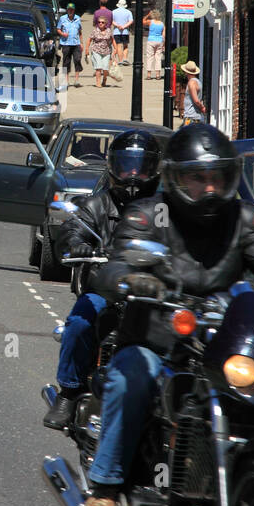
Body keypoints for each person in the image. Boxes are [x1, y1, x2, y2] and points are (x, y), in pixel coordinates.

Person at [79, 124, 254, 506]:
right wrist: (131, 280)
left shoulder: (244, 219)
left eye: (217, 177)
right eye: (197, 177)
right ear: (174, 177)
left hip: (224, 341)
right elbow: (115, 263)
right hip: (158, 341)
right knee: (130, 377)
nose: (209, 188)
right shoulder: (147, 214)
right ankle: (105, 487)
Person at [43, 131, 162, 430]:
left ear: (154, 170)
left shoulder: (164, 208)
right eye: (126, 166)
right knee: (80, 323)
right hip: (105, 289)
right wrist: (76, 244)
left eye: (141, 167)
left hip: (153, 293)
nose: (133, 175)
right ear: (113, 167)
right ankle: (69, 393)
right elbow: (72, 231)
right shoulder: (98, 205)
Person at [57, 3, 83, 88]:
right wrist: (63, 34)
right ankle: (67, 81)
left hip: (76, 43)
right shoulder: (62, 18)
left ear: (74, 10)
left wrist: (81, 43)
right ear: (67, 10)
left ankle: (76, 80)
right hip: (66, 43)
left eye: (72, 9)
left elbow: (80, 32)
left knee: (77, 60)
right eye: (69, 9)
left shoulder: (78, 18)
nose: (70, 11)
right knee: (66, 62)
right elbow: (58, 29)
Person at [85, 17, 113, 89]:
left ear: (105, 24)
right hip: (96, 50)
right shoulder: (95, 31)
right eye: (99, 22)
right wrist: (87, 49)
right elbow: (89, 40)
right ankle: (98, 82)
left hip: (106, 51)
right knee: (98, 67)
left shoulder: (109, 31)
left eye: (102, 22)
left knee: (105, 68)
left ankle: (104, 79)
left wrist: (115, 49)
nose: (100, 23)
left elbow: (113, 40)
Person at [180, 59, 206, 123]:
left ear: (186, 72)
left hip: (191, 117)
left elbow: (196, 101)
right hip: (196, 116)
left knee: (188, 133)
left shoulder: (192, 83)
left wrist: (202, 108)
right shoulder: (198, 81)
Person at [144, 5, 165, 80]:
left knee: (150, 57)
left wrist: (147, 15)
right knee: (158, 58)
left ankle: (149, 75)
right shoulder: (162, 24)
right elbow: (163, 35)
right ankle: (158, 75)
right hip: (159, 41)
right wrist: (163, 44)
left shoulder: (150, 22)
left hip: (151, 40)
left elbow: (143, 21)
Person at [111, 0, 133, 64]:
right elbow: (131, 21)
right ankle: (125, 59)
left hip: (116, 31)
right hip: (125, 31)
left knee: (119, 45)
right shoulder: (128, 12)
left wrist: (118, 25)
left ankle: (120, 60)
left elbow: (111, 20)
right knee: (125, 46)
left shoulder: (114, 11)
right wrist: (124, 26)